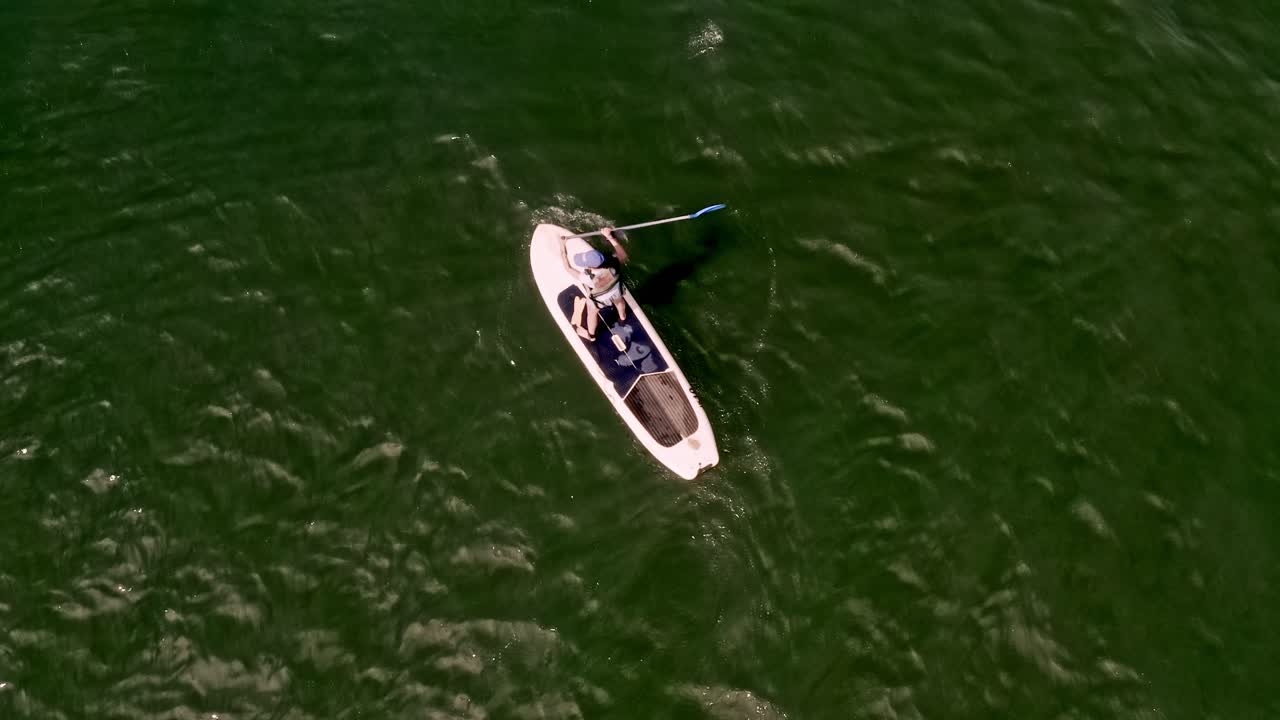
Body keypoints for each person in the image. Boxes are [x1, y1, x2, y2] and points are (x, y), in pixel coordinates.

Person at [561, 227, 630, 340]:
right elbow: (623, 255)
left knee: (592, 311)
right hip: (616, 290)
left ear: (589, 266)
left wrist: (562, 247)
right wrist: (610, 237)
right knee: (619, 300)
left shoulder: (587, 277)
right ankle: (622, 316)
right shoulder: (612, 264)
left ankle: (591, 335)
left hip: (601, 300)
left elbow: (568, 268)